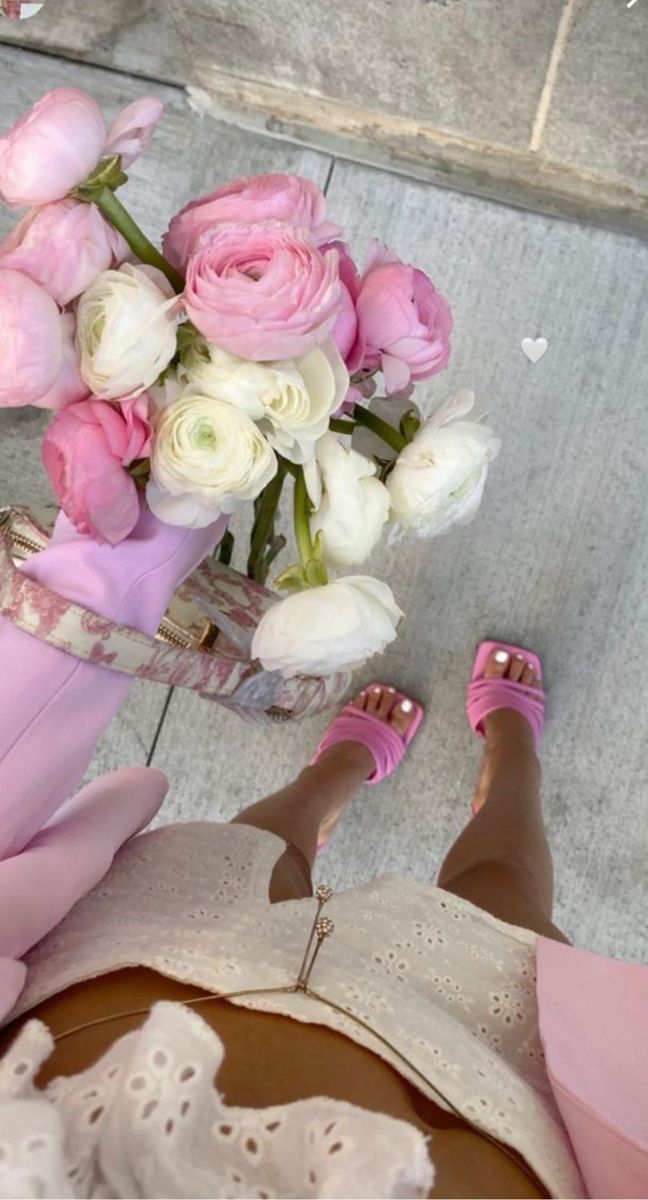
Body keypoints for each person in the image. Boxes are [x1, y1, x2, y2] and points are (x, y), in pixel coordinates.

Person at [0, 508, 615, 1197]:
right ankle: (510, 758)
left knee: (265, 850)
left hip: (153, 956)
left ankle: (334, 773)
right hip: (481, 1071)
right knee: (502, 886)